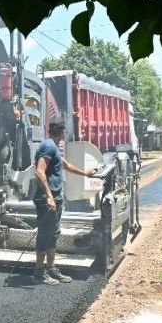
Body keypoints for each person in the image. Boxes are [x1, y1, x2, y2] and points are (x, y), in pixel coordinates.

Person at [32, 122, 97, 285]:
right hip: (48, 199)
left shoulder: (52, 146)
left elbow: (65, 165)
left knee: (53, 234)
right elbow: (39, 171)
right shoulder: (48, 146)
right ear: (61, 132)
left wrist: (85, 173)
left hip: (55, 198)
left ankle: (51, 268)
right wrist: (49, 196)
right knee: (45, 235)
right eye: (63, 132)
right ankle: (39, 272)